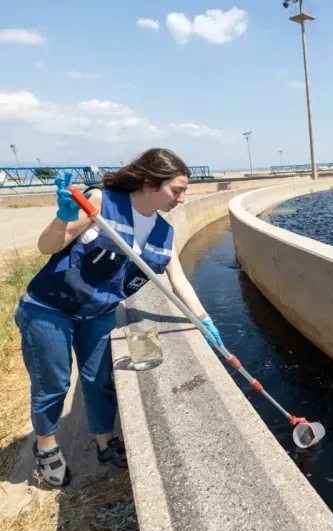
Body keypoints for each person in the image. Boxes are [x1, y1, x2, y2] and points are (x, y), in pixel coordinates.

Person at [15, 148, 224, 487]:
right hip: (49, 307)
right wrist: (62, 219)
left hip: (98, 312)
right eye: (177, 190)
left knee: (99, 380)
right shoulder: (99, 202)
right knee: (53, 382)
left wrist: (204, 319)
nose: (183, 198)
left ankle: (104, 441)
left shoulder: (163, 233)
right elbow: (46, 246)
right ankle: (46, 447)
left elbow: (178, 279)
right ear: (149, 183)